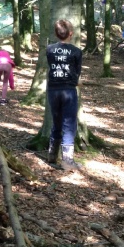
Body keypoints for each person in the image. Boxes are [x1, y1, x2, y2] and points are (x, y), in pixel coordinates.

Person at [46, 19, 83, 170]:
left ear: (56, 34)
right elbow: (77, 73)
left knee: (57, 121)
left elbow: (52, 66)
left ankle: (52, 155)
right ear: (71, 34)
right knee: (69, 124)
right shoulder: (76, 52)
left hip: (53, 90)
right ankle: (67, 161)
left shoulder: (49, 49)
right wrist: (76, 81)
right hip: (68, 91)